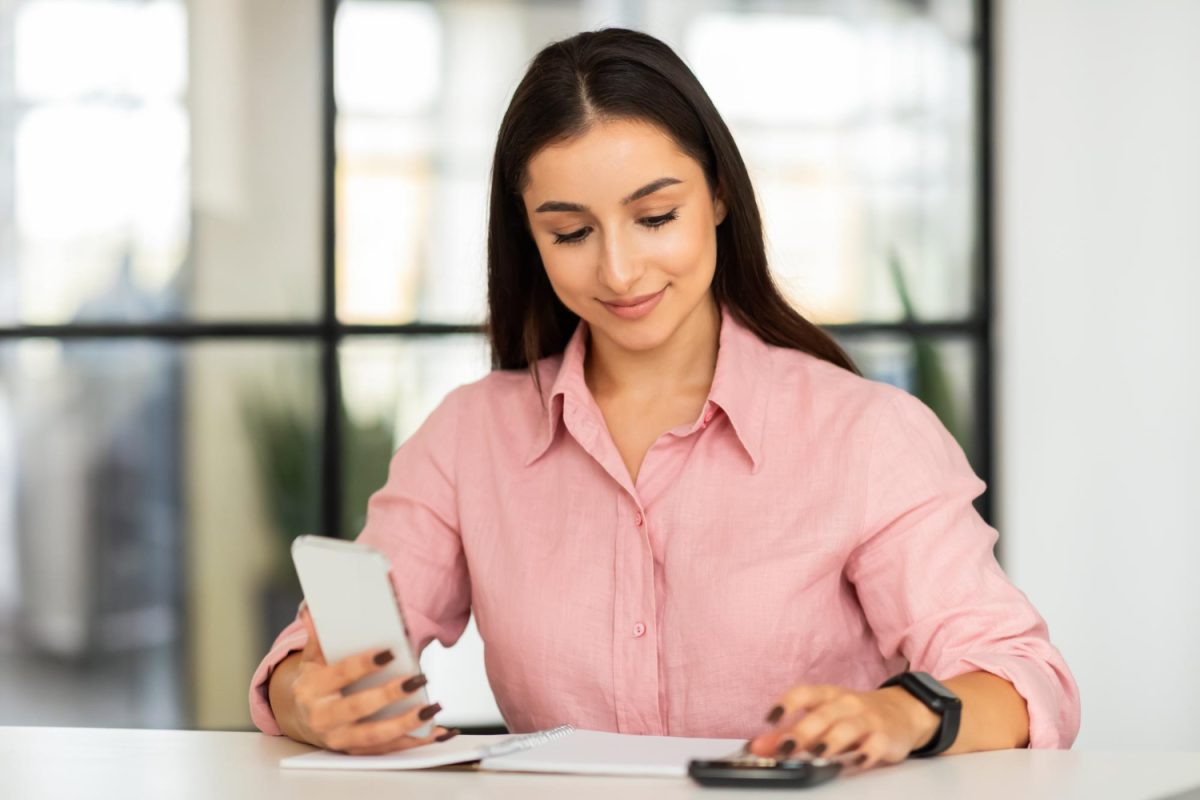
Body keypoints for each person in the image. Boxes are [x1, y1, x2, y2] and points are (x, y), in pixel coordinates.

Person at [249, 27, 1080, 768]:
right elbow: (315, 657)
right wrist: (305, 697)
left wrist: (897, 715)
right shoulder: (470, 440)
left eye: (655, 216)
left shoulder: (865, 436)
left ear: (718, 195)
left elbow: (1024, 680)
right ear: (529, 237)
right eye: (570, 232)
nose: (618, 270)